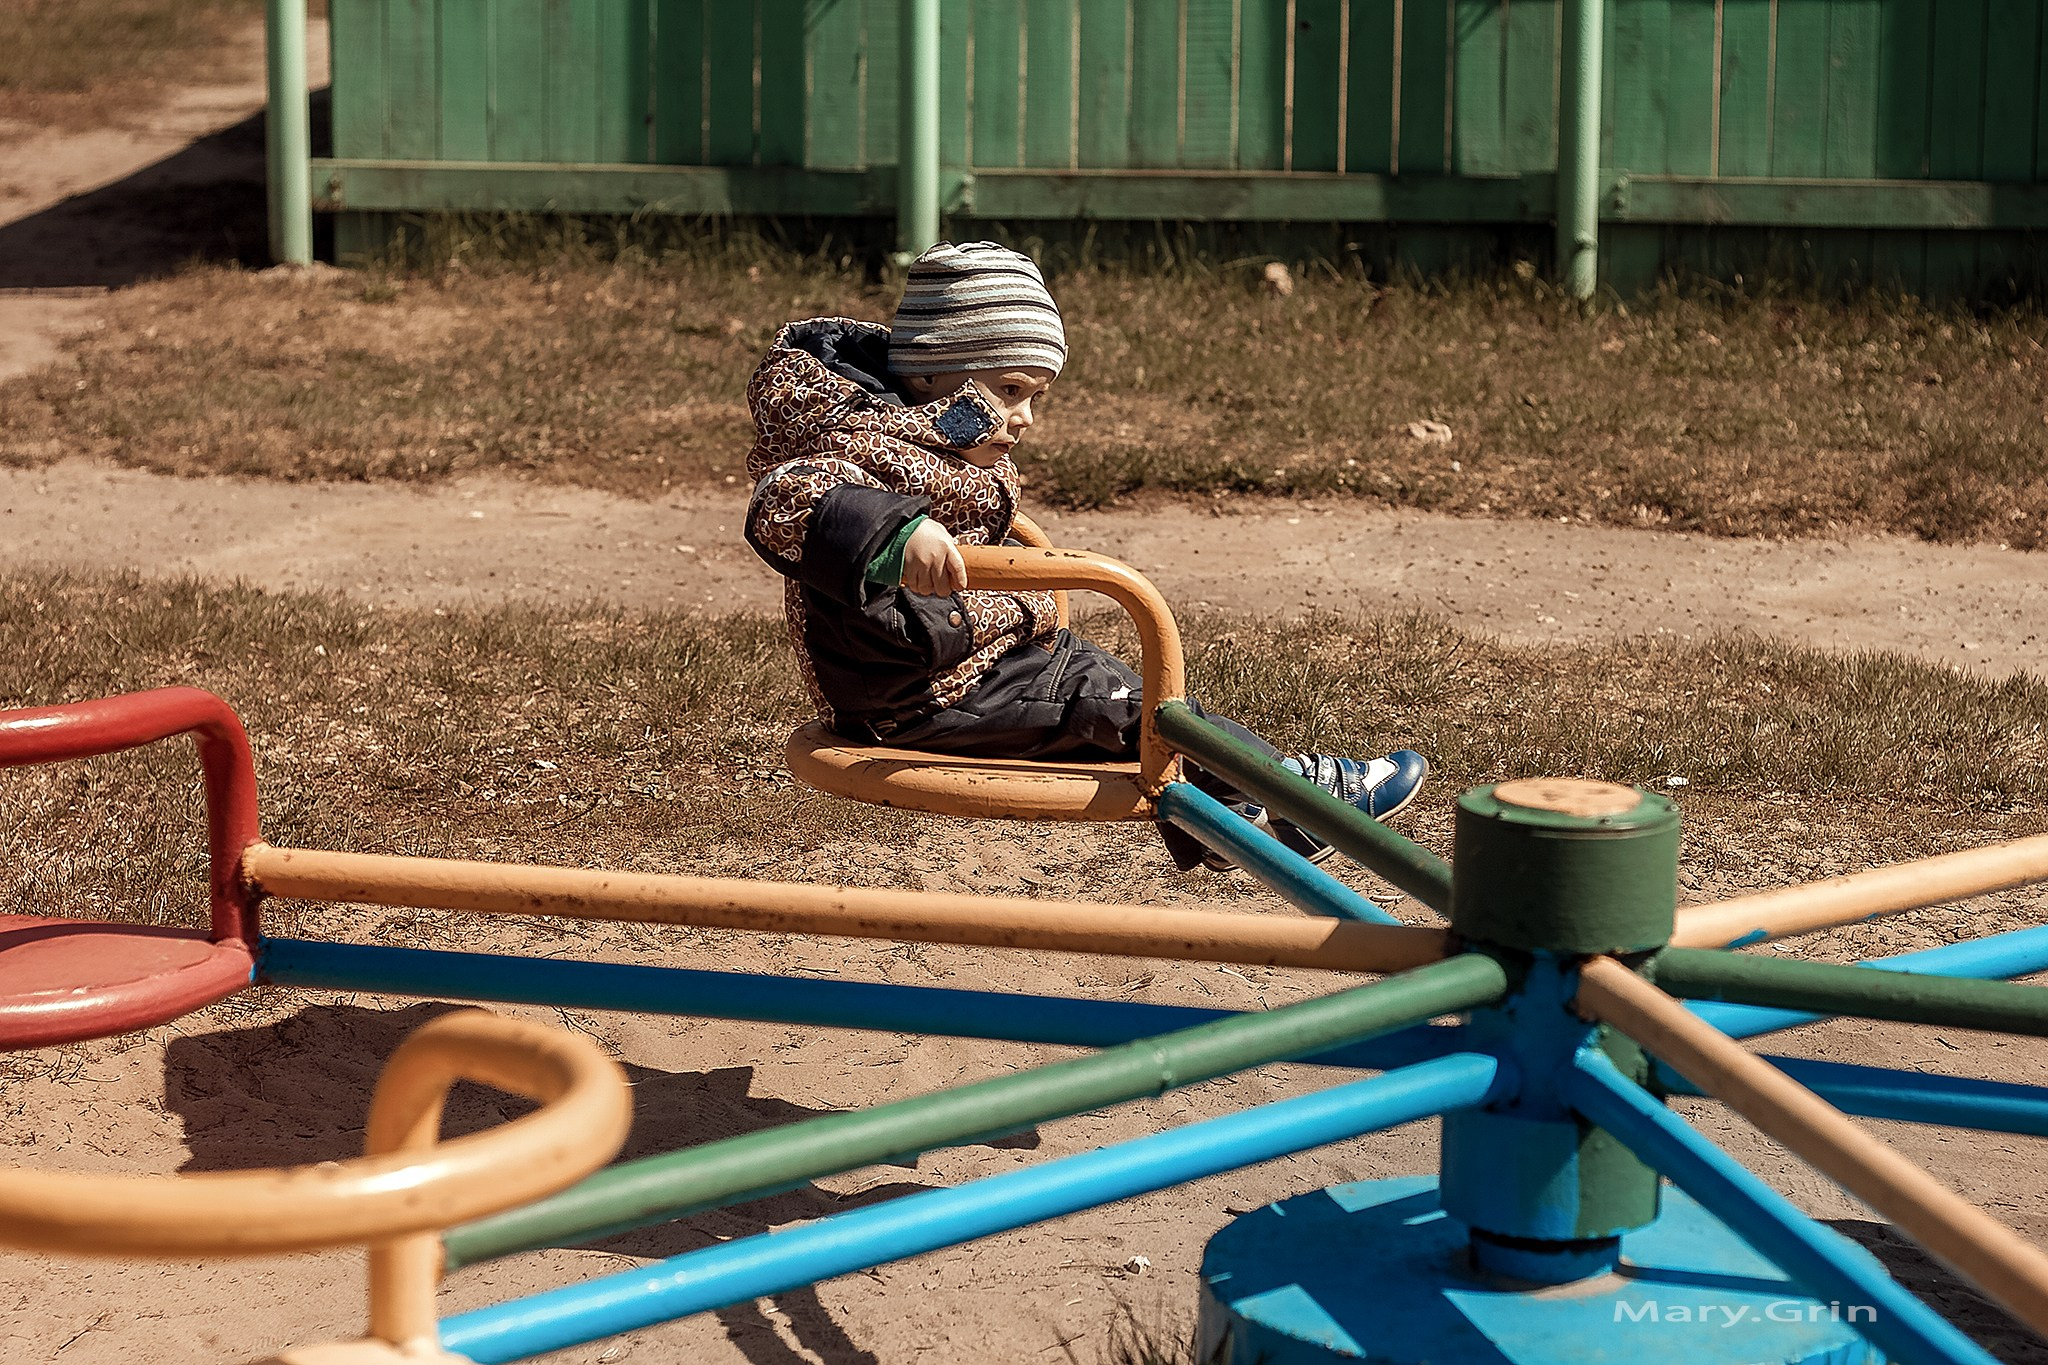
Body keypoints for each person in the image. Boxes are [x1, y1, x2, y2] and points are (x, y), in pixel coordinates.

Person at [743, 241, 1427, 869]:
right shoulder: (858, 444)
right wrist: (896, 535)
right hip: (928, 694)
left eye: (1036, 397)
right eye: (1010, 390)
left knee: (1148, 703)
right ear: (928, 378)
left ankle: (1236, 814)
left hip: (979, 660)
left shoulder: (921, 433)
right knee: (1141, 713)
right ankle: (1300, 799)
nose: (1025, 417)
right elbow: (785, 499)